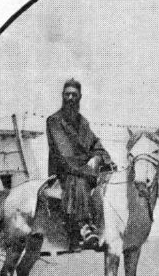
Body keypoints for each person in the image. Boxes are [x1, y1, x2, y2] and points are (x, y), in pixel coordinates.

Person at [46, 78, 115, 251]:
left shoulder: (83, 123)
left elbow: (97, 146)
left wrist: (98, 158)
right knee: (78, 179)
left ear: (80, 97)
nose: (70, 98)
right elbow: (66, 155)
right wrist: (89, 166)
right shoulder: (54, 121)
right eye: (67, 94)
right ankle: (84, 228)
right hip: (64, 172)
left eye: (74, 95)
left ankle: (106, 230)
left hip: (84, 170)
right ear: (62, 96)